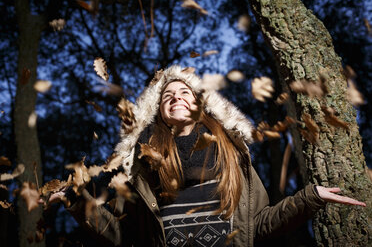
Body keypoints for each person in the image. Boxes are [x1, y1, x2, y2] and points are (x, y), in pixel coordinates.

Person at [50, 65, 366, 247]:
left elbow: (258, 224)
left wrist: (310, 198)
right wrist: (77, 204)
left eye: (185, 92)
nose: (175, 98)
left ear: (200, 102)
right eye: (167, 96)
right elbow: (122, 234)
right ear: (157, 111)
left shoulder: (233, 155)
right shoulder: (144, 166)